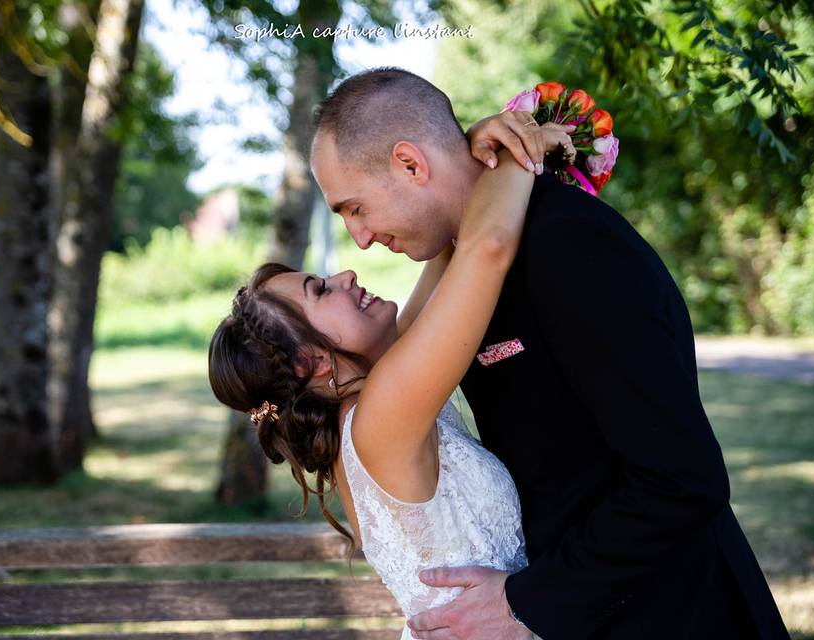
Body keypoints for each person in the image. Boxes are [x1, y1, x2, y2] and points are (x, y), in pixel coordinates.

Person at [308, 68, 789, 640]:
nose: (358, 239)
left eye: (355, 208)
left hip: (677, 614)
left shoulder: (566, 242)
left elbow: (682, 479)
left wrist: (526, 602)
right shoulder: (467, 283)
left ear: (412, 164)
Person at [209, 129, 574, 637]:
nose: (348, 276)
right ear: (308, 363)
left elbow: (451, 247)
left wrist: (465, 148)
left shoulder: (376, 397)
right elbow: (486, 249)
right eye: (321, 289)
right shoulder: (381, 418)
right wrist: (524, 142)